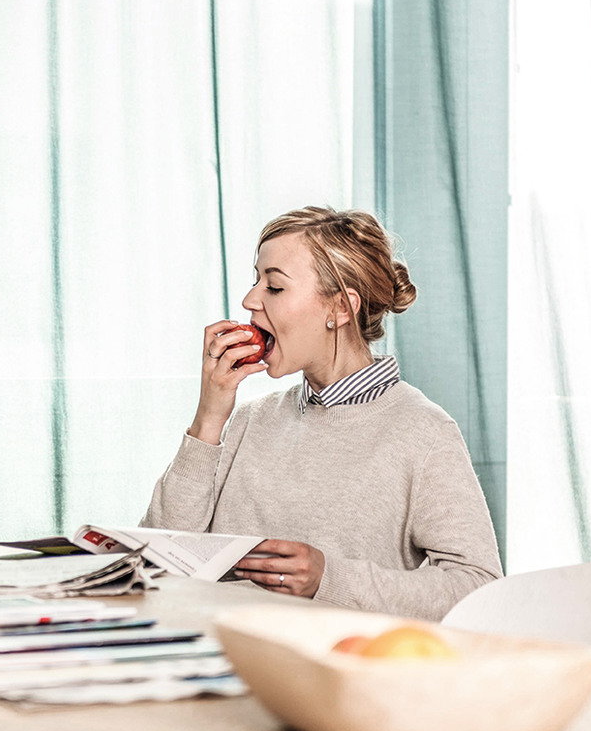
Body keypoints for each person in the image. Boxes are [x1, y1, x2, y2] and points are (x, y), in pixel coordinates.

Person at [142, 206, 501, 621]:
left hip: (329, 659)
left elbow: (477, 586)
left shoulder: (424, 432)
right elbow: (154, 559)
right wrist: (209, 418)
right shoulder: (247, 421)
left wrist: (328, 580)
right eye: (255, 281)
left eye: (274, 287)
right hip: (213, 649)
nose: (249, 300)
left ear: (340, 309)